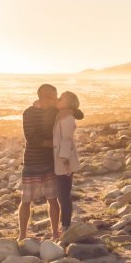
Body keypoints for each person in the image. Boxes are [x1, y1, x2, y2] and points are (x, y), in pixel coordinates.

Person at [19, 84, 60, 240]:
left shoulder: (55, 111)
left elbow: (76, 114)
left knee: (52, 199)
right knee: (26, 200)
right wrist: (55, 143)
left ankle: (55, 233)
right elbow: (31, 138)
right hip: (32, 162)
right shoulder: (28, 113)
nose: (56, 100)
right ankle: (22, 235)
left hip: (50, 162)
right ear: (43, 98)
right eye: (53, 97)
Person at [53, 91, 81, 232]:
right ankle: (64, 224)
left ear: (68, 103)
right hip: (59, 158)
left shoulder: (67, 117)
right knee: (61, 194)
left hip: (64, 160)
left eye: (61, 98)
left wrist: (65, 160)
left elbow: (66, 140)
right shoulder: (61, 114)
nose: (58, 99)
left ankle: (66, 226)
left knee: (64, 195)